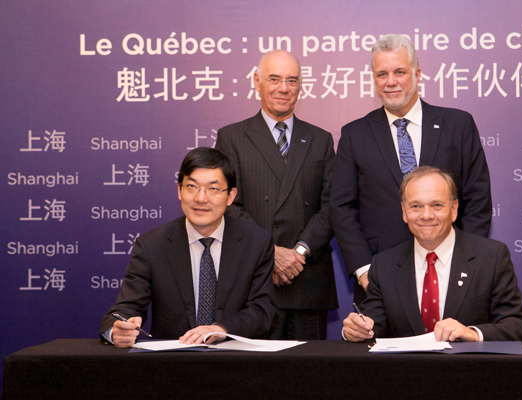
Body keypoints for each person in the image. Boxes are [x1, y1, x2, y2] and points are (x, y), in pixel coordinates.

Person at [330, 34, 492, 305]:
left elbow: (478, 200)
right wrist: (364, 270)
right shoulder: (354, 134)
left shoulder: (458, 125)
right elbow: (341, 208)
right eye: (382, 74)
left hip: (452, 275)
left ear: (417, 74)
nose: (390, 81)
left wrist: (466, 263)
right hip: (378, 279)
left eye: (400, 72)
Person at [99, 147, 278, 348]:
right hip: (173, 366)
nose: (201, 198)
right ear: (179, 190)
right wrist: (116, 330)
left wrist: (221, 329)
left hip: (236, 363)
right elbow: (125, 309)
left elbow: (262, 310)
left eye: (213, 188)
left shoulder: (255, 243)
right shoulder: (152, 245)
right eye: (192, 186)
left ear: (230, 196)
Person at [216, 49, 337, 340]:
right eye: (274, 79)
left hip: (307, 278)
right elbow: (228, 205)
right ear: (257, 82)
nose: (284, 88)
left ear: (300, 86)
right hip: (255, 281)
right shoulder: (232, 137)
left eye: (292, 80)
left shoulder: (321, 139)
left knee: (309, 378)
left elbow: (332, 205)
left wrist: (298, 253)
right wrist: (270, 253)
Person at [343, 166, 522, 342]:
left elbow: (518, 327)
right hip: (406, 375)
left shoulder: (491, 257)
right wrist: (354, 330)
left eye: (437, 205)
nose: (426, 215)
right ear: (404, 212)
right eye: (416, 206)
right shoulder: (384, 265)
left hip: (469, 373)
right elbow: (372, 327)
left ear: (454, 209)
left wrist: (473, 333)